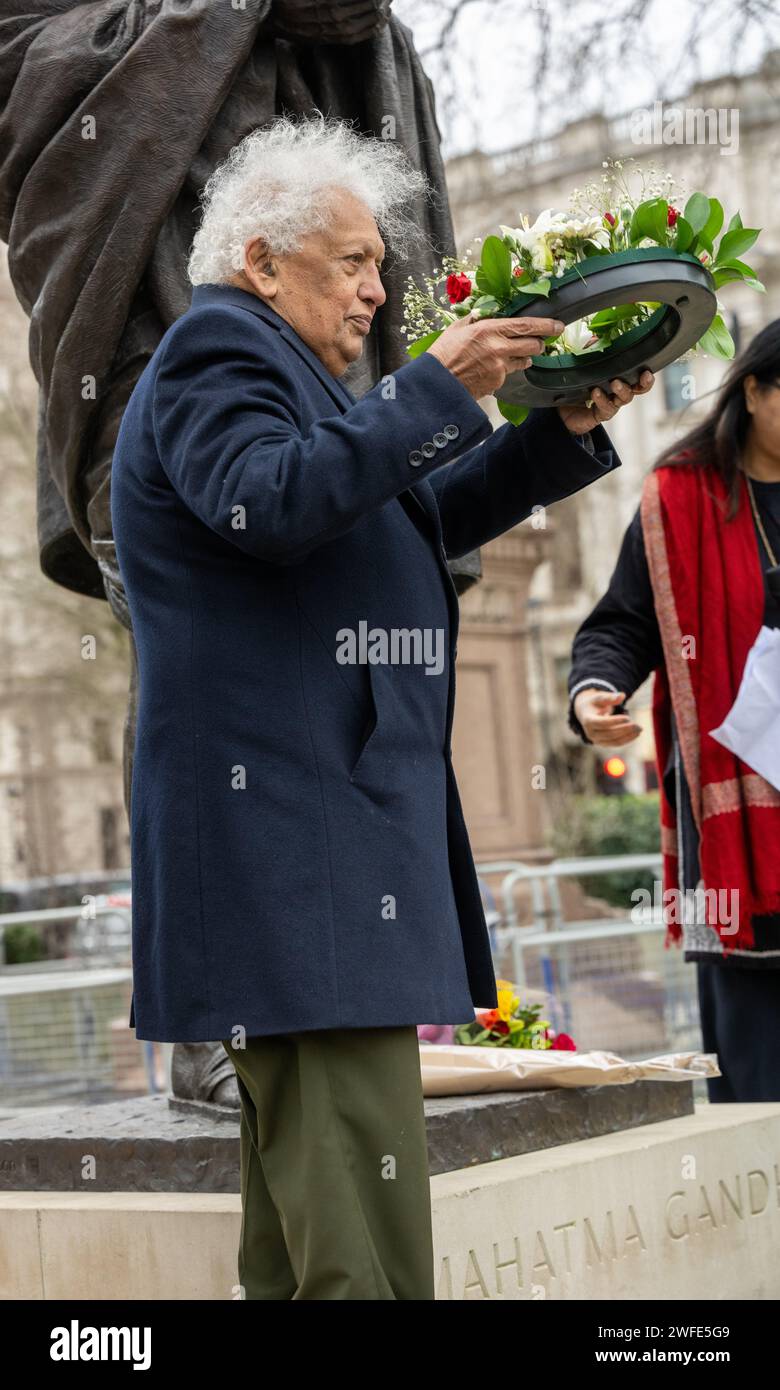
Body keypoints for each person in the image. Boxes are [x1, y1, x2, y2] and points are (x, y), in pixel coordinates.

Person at [111, 114, 653, 1300]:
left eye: (377, 264)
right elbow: (276, 501)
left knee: (312, 1239)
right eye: (352, 261)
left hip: (310, 862)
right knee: (366, 1252)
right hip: (293, 860)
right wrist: (432, 385)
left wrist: (556, 427)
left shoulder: (298, 379)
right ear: (261, 259)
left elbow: (412, 514)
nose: (377, 287)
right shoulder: (219, 352)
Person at [568, 320, 780, 1104]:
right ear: (753, 391)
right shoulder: (680, 498)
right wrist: (595, 691)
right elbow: (624, 623)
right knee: (755, 1081)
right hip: (725, 830)